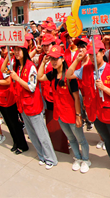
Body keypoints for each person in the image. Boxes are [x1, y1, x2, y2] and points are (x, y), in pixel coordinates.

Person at [68, 40, 110, 180]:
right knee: (106, 140)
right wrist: (77, 60)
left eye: (96, 54)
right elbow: (69, 75)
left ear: (102, 52)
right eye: (91, 55)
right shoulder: (86, 69)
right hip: (94, 113)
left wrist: (104, 88)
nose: (93, 57)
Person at [38, 45, 91, 173]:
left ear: (62, 59)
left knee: (80, 139)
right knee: (71, 138)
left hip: (72, 114)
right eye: (52, 59)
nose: (54, 62)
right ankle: (77, 158)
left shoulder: (69, 77)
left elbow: (76, 98)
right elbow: (40, 77)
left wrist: (78, 115)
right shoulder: (52, 74)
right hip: (60, 114)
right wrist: (43, 63)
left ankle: (85, 159)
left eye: (56, 58)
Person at [10, 43, 56, 167]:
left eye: (19, 50)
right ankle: (41, 155)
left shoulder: (30, 67)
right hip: (22, 106)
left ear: (25, 51)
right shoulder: (16, 67)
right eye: (15, 50)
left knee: (42, 134)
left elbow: (31, 87)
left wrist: (18, 79)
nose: (16, 52)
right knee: (32, 134)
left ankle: (51, 158)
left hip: (33, 106)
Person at [0, 42, 28, 151]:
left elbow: (8, 81)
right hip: (0, 98)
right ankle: (16, 142)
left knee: (14, 123)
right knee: (9, 124)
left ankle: (22, 145)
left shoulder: (2, 62)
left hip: (8, 98)